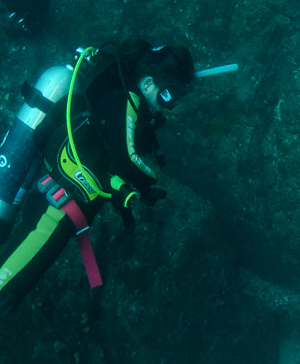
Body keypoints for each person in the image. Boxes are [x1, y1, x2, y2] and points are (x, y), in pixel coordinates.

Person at [0, 39, 195, 315]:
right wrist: (149, 182)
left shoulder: (117, 96)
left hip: (58, 200)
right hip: (58, 208)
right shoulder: (129, 101)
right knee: (7, 284)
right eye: (168, 98)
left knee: (15, 287)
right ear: (149, 84)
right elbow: (127, 160)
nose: (169, 107)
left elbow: (109, 162)